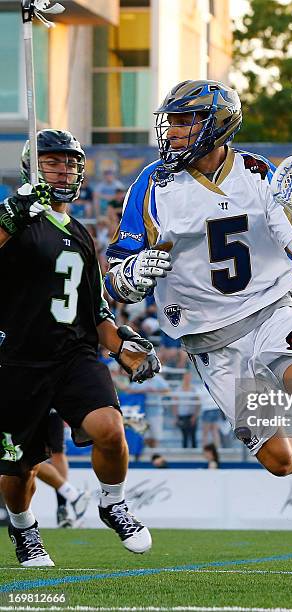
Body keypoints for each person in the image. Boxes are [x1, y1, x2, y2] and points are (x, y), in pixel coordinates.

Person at [104, 79, 292, 574]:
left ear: (218, 124)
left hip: (271, 308)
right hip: (211, 339)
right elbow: (118, 273)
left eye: (188, 120)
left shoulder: (258, 173)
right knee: (280, 459)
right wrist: (133, 272)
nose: (176, 130)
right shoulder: (151, 184)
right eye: (174, 119)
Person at [0, 129, 161, 567]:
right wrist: (12, 217)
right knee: (19, 469)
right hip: (16, 359)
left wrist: (121, 349)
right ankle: (23, 528)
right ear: (32, 166)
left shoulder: (80, 233)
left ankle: (113, 503)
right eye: (53, 161)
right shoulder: (11, 219)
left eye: (71, 162)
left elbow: (96, 312)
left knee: (110, 428)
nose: (65, 169)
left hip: (73, 354)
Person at [36, 409, 90, 528]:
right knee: (22, 456)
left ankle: (63, 507)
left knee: (57, 453)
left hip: (46, 404)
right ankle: (73, 495)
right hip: (26, 402)